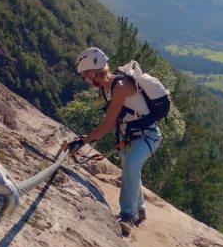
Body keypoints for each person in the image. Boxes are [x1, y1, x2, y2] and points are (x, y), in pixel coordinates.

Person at [67, 47, 162, 236]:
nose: (85, 81)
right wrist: (83, 140)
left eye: (85, 76)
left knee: (132, 165)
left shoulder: (119, 87)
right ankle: (140, 209)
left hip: (148, 136)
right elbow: (113, 120)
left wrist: (82, 141)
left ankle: (128, 215)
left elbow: (109, 123)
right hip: (129, 136)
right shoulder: (106, 87)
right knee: (131, 168)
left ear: (93, 73)